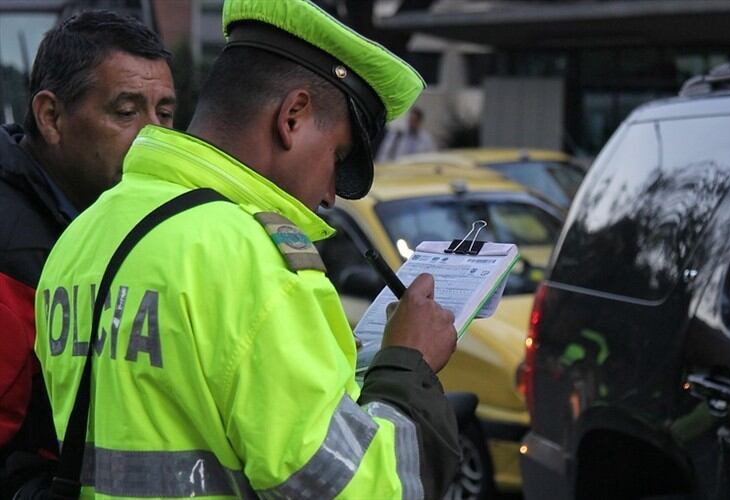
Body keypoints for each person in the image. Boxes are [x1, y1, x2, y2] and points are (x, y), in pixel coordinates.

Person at [35, 0, 460, 498]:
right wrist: (408, 363)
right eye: (337, 156)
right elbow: (353, 487)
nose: (329, 194)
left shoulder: (84, 233)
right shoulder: (253, 259)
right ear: (293, 116)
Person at [0, 10, 175, 494]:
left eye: (165, 114)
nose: (154, 136)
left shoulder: (109, 218)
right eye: (126, 112)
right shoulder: (15, 251)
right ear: (51, 117)